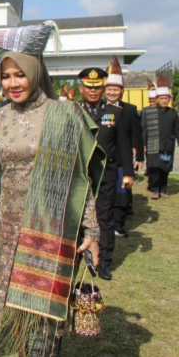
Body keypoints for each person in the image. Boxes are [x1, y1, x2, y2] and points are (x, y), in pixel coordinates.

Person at [0, 22, 101, 357]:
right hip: (10, 229)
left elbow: (80, 179)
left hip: (51, 229)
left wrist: (92, 230)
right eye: (6, 76)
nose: (12, 83)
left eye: (20, 75)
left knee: (45, 320)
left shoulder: (64, 114)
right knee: (17, 316)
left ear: (35, 72)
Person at [78, 67, 133, 281]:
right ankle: (79, 252)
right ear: (81, 88)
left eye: (97, 87)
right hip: (81, 173)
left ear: (103, 88)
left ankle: (104, 261)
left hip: (107, 173)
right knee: (78, 214)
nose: (93, 91)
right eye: (89, 87)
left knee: (105, 216)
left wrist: (127, 173)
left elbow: (124, 145)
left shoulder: (114, 112)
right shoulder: (74, 111)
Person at [104, 57, 144, 234]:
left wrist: (140, 157)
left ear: (121, 91)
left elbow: (137, 134)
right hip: (106, 158)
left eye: (116, 90)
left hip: (123, 157)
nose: (112, 93)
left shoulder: (129, 109)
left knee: (122, 193)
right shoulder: (100, 109)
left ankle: (119, 224)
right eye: (109, 89)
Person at [142, 75, 179, 199]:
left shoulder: (173, 113)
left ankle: (163, 190)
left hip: (168, 144)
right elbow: (144, 129)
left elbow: (177, 129)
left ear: (169, 99)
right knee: (154, 168)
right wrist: (144, 144)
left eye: (166, 98)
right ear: (157, 99)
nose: (164, 100)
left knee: (165, 168)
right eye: (161, 98)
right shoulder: (149, 112)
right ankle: (155, 190)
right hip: (153, 144)